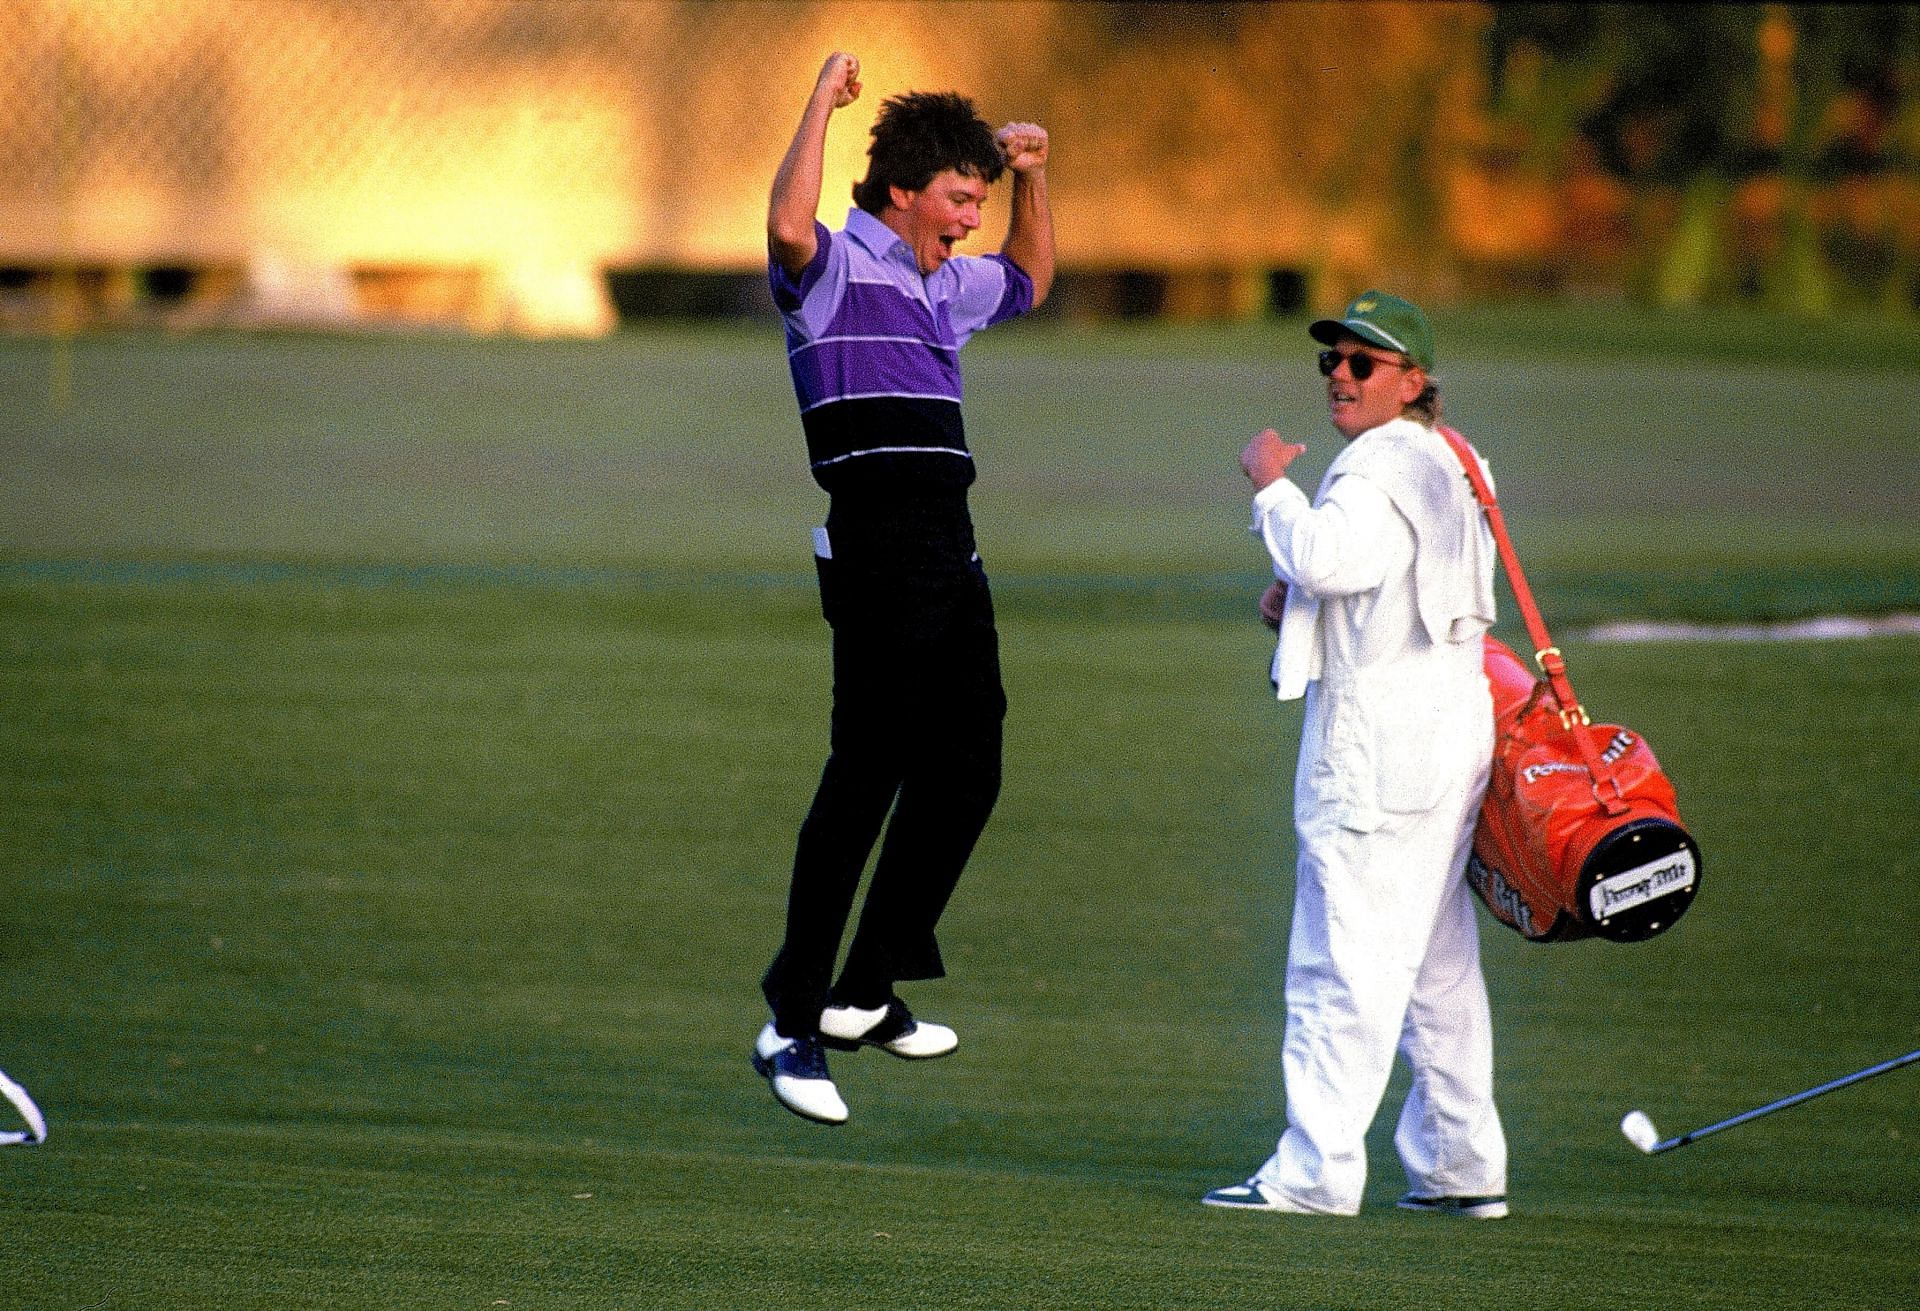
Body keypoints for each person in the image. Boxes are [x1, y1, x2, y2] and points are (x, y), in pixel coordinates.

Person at [752, 52, 1054, 1125]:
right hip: (878, 551)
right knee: (866, 778)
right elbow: (787, 227)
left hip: (952, 549)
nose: (972, 220)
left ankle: (865, 990)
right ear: (903, 193)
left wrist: (1032, 181)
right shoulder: (833, 267)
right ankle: (790, 1024)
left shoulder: (949, 282)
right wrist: (816, 106)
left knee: (970, 770)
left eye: (979, 200)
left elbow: (1032, 278)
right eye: (961, 199)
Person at [1203, 292, 1510, 1217]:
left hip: (1377, 752)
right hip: (1452, 738)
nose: (1340, 374)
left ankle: (1315, 1174)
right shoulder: (1456, 458)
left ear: (1413, 381)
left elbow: (1332, 558)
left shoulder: (1375, 464)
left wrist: (1269, 484)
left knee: (1341, 964)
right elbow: (1387, 586)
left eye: (1363, 362)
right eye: (1332, 360)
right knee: (1434, 967)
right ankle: (1461, 1169)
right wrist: (1295, 604)